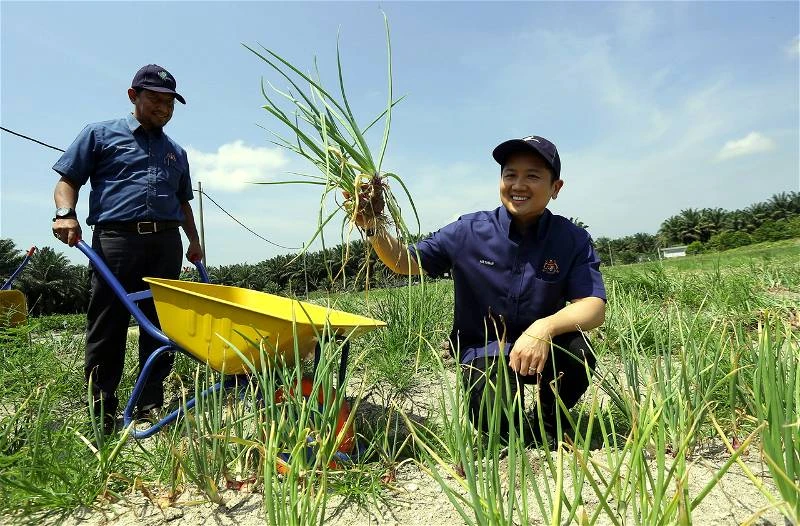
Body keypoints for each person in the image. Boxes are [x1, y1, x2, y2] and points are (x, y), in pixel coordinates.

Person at [355, 135, 606, 445]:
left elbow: (593, 306)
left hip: (544, 348)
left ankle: (549, 421)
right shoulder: (468, 232)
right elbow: (405, 261)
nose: (518, 184)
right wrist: (373, 226)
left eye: (532, 176)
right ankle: (507, 427)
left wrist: (544, 328)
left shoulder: (572, 239)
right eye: (510, 174)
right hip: (486, 352)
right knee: (497, 423)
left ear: (555, 188)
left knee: (579, 352)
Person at [51, 64, 203, 433]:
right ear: (133, 96)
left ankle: (150, 403)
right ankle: (101, 411)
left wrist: (194, 242)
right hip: (115, 240)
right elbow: (67, 181)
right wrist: (64, 214)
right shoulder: (100, 134)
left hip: (165, 242)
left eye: (170, 102)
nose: (163, 108)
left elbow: (184, 203)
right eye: (155, 98)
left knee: (161, 325)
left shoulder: (176, 152)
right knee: (108, 323)